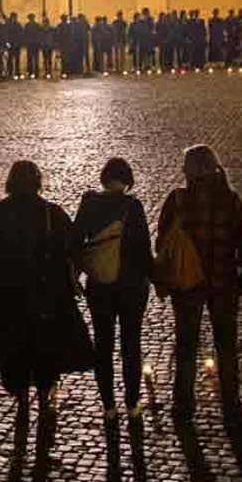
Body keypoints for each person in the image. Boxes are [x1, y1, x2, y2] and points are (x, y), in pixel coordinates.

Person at [0, 159, 92, 416]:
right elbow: (73, 247)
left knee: (13, 344)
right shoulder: (51, 212)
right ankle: (45, 396)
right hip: (46, 293)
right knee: (45, 345)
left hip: (9, 294)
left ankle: (20, 397)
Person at [156, 144, 242, 417]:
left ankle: (183, 403)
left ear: (194, 169)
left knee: (186, 345)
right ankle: (231, 402)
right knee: (226, 345)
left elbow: (163, 241)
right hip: (223, 281)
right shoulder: (230, 200)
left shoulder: (178, 200)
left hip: (188, 283)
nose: (182, 169)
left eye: (185, 164)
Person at [70, 156, 153, 417]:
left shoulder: (89, 204)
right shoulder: (133, 206)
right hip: (131, 287)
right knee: (131, 343)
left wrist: (79, 273)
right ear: (127, 180)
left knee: (103, 344)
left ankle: (108, 405)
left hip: (100, 285)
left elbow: (73, 242)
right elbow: (143, 250)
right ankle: (132, 403)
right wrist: (156, 278)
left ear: (104, 178)